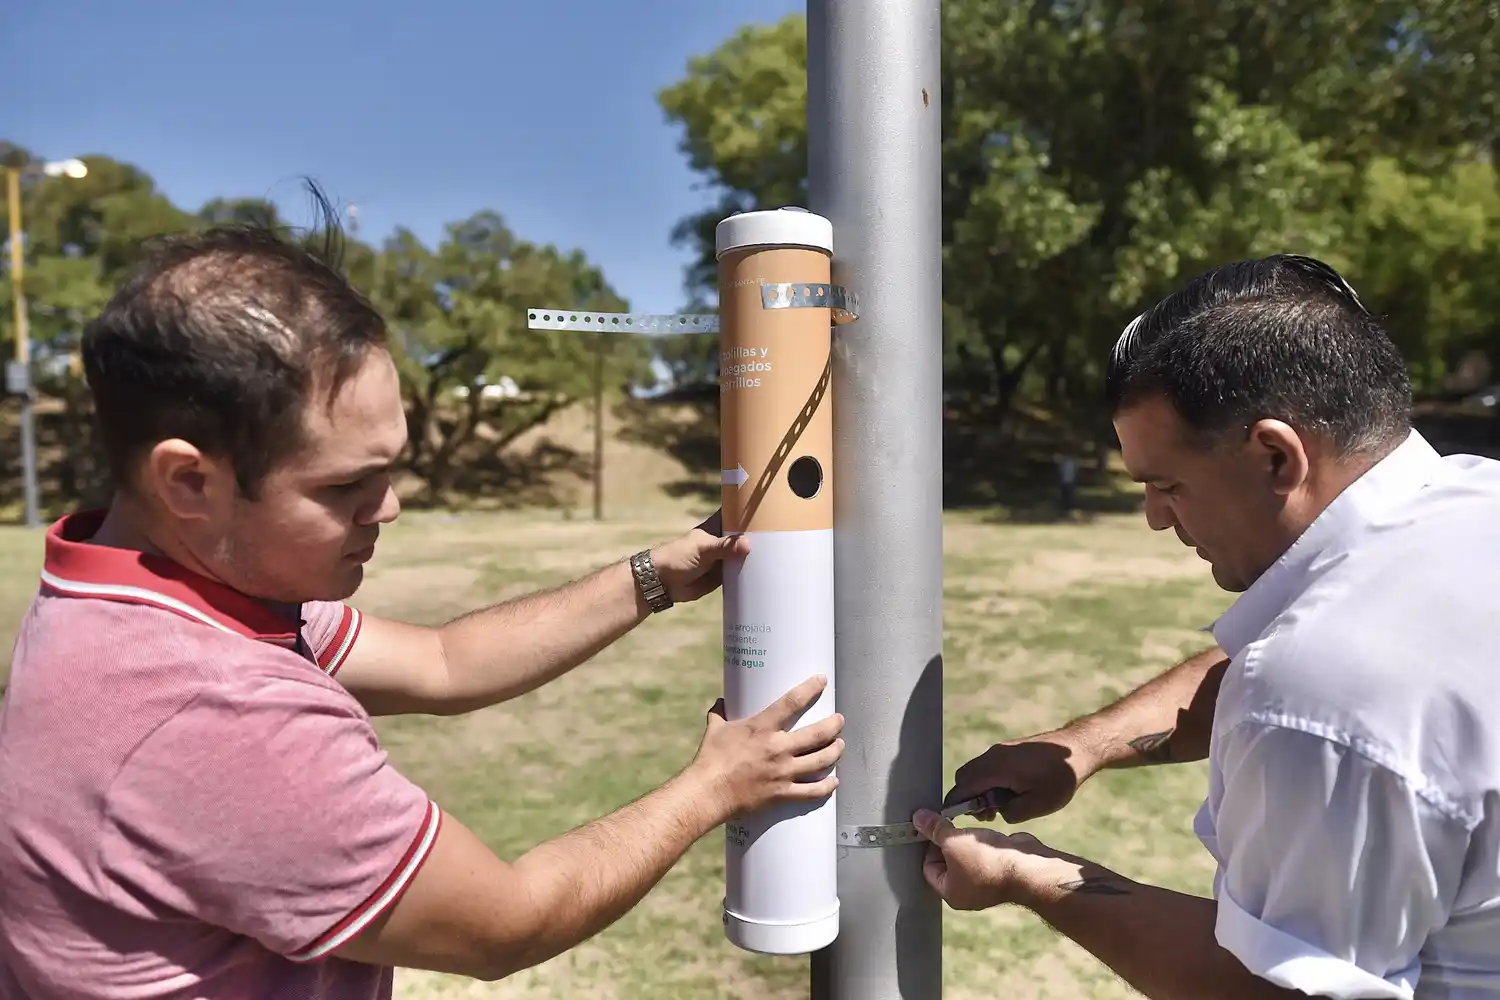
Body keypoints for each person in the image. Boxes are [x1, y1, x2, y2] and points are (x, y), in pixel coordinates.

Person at [0, 204, 844, 999]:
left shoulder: (144, 596)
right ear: (189, 480)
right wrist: (713, 787)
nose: (390, 507)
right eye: (348, 486)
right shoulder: (204, 710)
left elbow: (445, 664)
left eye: (391, 468)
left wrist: (651, 577)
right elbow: (504, 926)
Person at [920, 254, 1500, 1000]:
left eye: (1166, 485)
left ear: (1273, 456)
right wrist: (1083, 746)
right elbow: (1276, 658)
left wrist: (1030, 876)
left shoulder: (1328, 684)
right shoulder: (1470, 501)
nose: (1157, 517)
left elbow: (1270, 990)